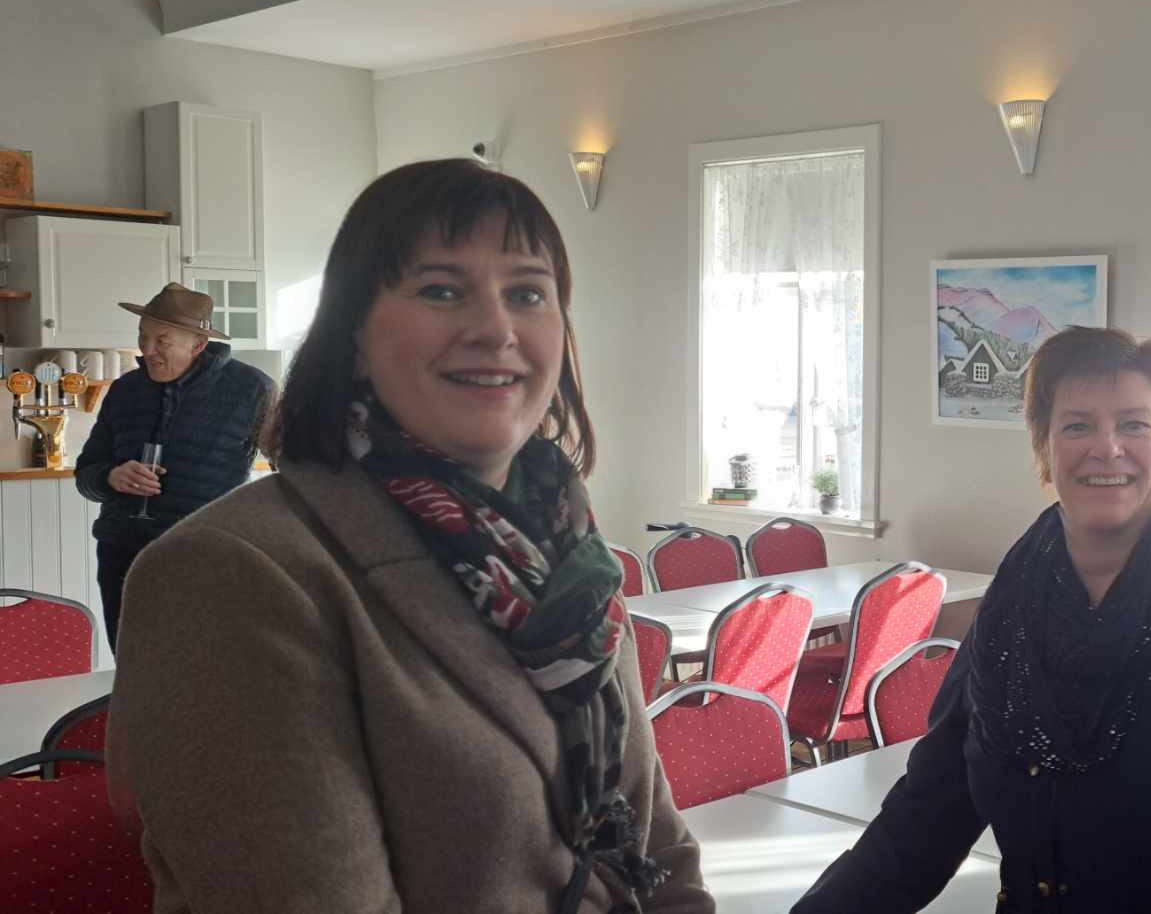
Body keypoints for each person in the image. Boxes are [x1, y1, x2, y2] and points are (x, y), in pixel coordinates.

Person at [107, 159, 714, 914]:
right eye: (441, 290)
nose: (496, 328)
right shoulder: (230, 575)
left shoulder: (569, 556)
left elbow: (658, 850)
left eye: (528, 293)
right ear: (354, 331)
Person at [794, 327, 1151, 913]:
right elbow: (925, 818)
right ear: (1044, 450)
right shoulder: (1009, 620)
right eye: (1077, 426)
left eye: (1135, 424)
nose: (1107, 447)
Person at [74, 282, 274, 646]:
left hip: (206, 555)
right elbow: (86, 475)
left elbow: (294, 468)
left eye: (161, 341)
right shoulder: (124, 391)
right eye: (143, 336)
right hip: (122, 553)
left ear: (198, 344)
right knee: (131, 661)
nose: (147, 350)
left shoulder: (252, 390)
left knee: (202, 662)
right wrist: (110, 477)